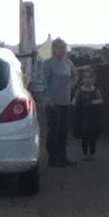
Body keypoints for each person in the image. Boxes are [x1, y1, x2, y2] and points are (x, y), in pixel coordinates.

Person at [40, 38, 78, 167]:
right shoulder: (48, 64)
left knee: (64, 130)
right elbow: (43, 82)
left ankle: (63, 156)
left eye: (64, 48)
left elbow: (75, 75)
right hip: (53, 102)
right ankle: (53, 158)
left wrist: (71, 85)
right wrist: (46, 99)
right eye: (60, 48)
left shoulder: (68, 63)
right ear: (54, 49)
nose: (62, 51)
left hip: (65, 101)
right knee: (54, 130)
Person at [73, 67, 103, 161]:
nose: (88, 80)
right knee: (84, 135)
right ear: (82, 79)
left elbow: (101, 100)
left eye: (90, 77)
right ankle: (85, 153)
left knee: (93, 135)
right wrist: (73, 102)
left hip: (93, 116)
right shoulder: (79, 90)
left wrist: (97, 101)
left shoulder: (96, 90)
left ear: (93, 78)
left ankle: (92, 153)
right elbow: (75, 100)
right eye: (85, 77)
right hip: (83, 116)